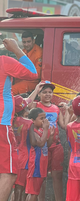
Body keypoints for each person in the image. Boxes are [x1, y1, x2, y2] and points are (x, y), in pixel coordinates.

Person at [0, 38, 38, 201]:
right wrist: (16, 49)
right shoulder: (4, 62)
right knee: (9, 173)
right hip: (2, 124)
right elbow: (33, 73)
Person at [28, 81, 69, 201]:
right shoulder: (35, 106)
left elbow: (64, 125)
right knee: (41, 177)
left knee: (58, 176)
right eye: (44, 92)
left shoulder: (56, 108)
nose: (47, 94)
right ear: (39, 94)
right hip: (41, 147)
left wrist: (67, 112)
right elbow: (26, 105)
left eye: (50, 92)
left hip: (56, 145)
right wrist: (35, 89)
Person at [25, 108, 54, 201]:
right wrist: (46, 129)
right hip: (35, 166)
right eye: (41, 118)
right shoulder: (32, 131)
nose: (45, 121)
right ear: (32, 121)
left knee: (35, 192)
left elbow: (47, 145)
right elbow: (40, 143)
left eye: (45, 118)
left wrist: (51, 135)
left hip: (42, 166)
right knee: (33, 193)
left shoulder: (41, 130)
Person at [13, 96, 33, 201]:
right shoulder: (29, 123)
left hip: (12, 157)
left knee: (15, 187)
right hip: (25, 158)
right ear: (24, 109)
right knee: (22, 188)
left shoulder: (9, 122)